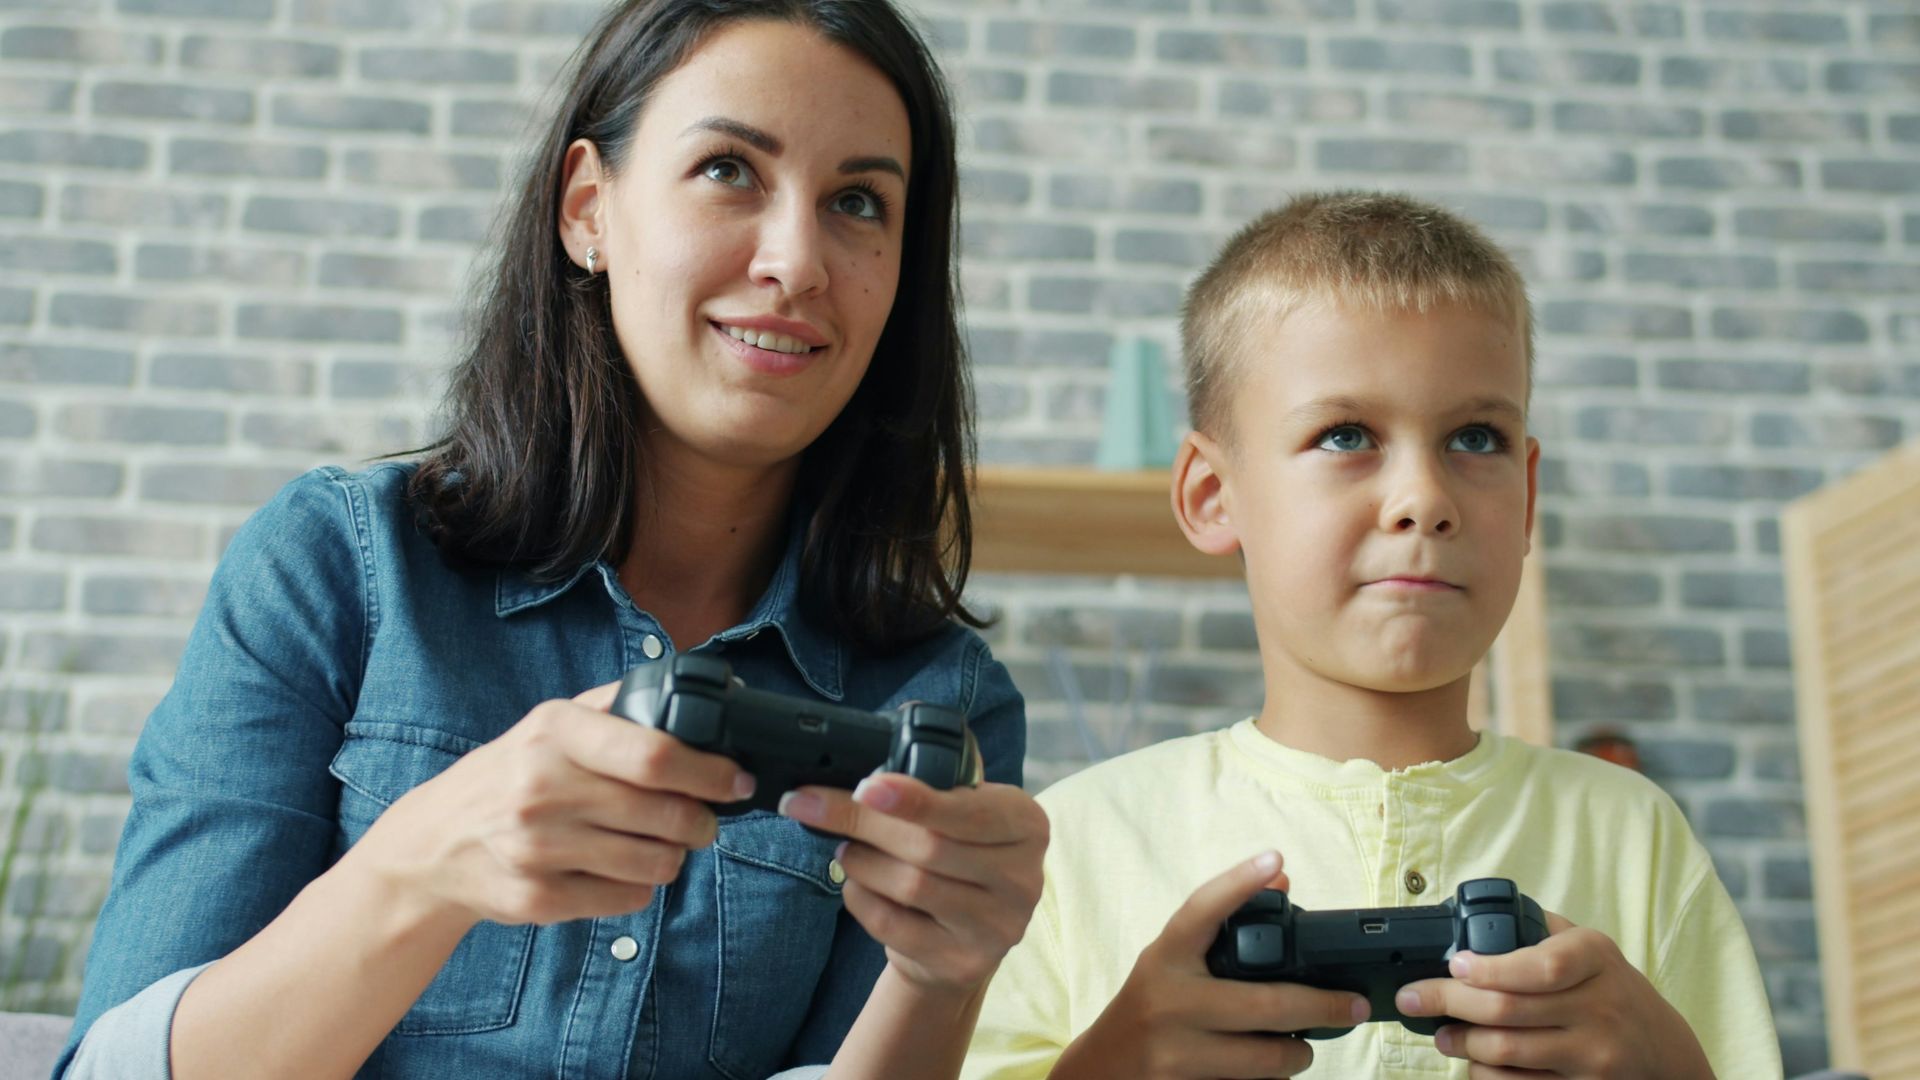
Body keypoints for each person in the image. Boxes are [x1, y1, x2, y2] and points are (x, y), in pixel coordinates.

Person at [54, 2, 1048, 1078]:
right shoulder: (332, 569)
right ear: (589, 209)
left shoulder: (944, 697)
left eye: (860, 202)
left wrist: (939, 981)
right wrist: (421, 870)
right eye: (729, 170)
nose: (798, 261)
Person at [963, 191, 1781, 1079]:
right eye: (1345, 434)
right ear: (1211, 494)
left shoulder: (1635, 836)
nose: (1424, 500)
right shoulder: (1078, 844)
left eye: (1475, 437)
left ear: (1530, 497)